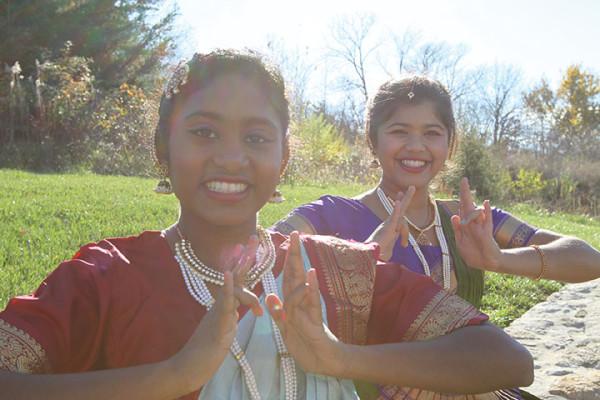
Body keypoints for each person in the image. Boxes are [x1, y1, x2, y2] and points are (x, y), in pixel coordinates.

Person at [0, 51, 534, 400]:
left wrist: (338, 357)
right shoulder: (106, 278)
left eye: (257, 138)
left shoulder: (334, 267)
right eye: (204, 132)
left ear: (283, 159)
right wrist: (176, 375)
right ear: (164, 150)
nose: (231, 158)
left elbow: (506, 359)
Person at [274, 76, 600, 307]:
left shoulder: (468, 222)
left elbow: (588, 260)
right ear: (372, 141)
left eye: (432, 133)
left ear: (449, 142)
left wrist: (500, 260)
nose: (416, 147)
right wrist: (359, 255)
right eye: (399, 131)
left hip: (471, 377)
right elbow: (260, 256)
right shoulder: (333, 215)